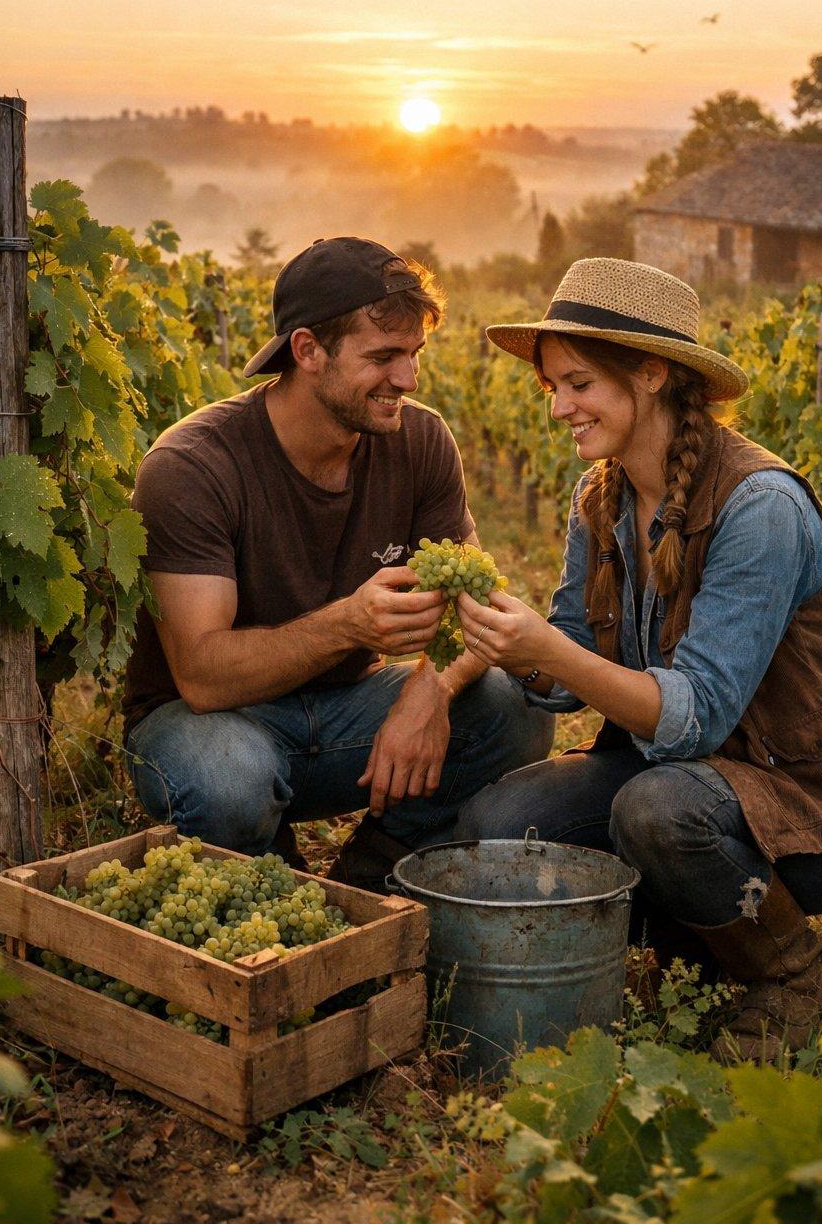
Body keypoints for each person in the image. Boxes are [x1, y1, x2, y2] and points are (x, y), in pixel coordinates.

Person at [453, 257, 822, 1062]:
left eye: (578, 383)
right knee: (499, 825)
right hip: (686, 780)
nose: (558, 407)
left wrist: (548, 648)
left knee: (657, 810)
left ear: (653, 375)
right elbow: (565, 666)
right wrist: (509, 648)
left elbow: (694, 717)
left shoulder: (760, 508)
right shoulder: (601, 496)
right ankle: (696, 947)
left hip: (808, 808)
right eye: (549, 386)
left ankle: (789, 982)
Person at [122, 236, 552, 889]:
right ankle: (274, 881)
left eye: (413, 356)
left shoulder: (422, 440)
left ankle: (375, 871)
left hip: (348, 711)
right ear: (307, 351)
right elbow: (203, 679)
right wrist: (350, 625)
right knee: (228, 775)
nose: (407, 379)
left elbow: (477, 608)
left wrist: (430, 690)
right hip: (205, 725)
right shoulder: (192, 467)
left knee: (514, 709)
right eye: (383, 357)